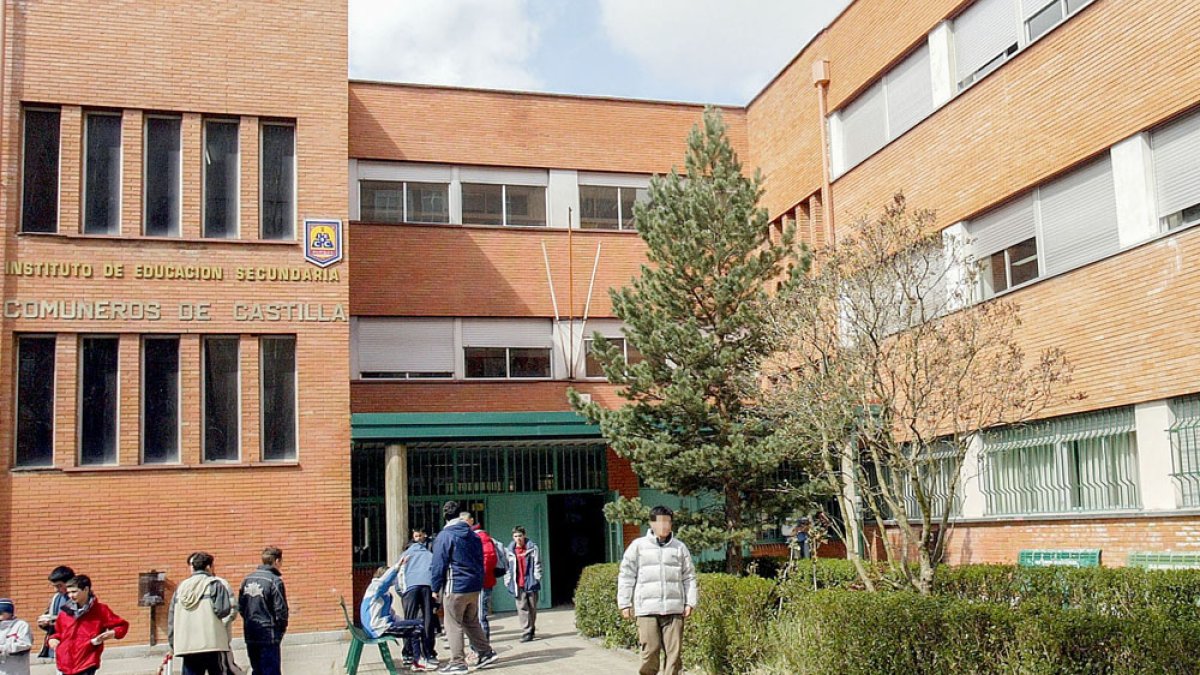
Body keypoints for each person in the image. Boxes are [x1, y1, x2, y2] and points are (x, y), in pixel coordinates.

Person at [617, 506, 698, 675]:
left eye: (668, 522)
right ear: (651, 524)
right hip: (647, 609)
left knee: (674, 655)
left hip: (674, 609)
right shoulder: (638, 546)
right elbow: (626, 575)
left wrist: (690, 601)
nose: (664, 526)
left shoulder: (679, 548)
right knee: (650, 651)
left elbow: (689, 576)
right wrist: (624, 603)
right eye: (660, 522)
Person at [430, 501, 497, 674]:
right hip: (474, 586)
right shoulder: (473, 535)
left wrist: (435, 587)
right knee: (471, 620)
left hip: (456, 585)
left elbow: (439, 564)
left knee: (453, 624)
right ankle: (485, 652)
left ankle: (458, 662)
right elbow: (480, 559)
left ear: (444, 516)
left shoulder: (445, 536)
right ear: (460, 515)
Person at [168, 552, 236, 675]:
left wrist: (173, 644)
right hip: (212, 643)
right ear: (209, 567)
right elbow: (223, 610)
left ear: (192, 567)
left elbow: (172, 619)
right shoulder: (214, 584)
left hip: (187, 645)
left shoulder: (180, 588)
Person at [47, 575, 129, 675]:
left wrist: (112, 633)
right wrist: (52, 639)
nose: (71, 596)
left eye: (74, 592)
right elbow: (57, 633)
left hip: (87, 661)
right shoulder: (64, 612)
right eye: (69, 592)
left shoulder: (100, 610)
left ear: (86, 589)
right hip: (65, 662)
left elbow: (122, 626)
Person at [239, 547, 288, 675]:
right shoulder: (275, 581)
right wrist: (280, 630)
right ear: (277, 561)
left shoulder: (247, 580)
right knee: (271, 670)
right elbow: (280, 610)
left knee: (257, 668)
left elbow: (241, 606)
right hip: (268, 632)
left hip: (250, 631)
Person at [399, 529, 438, 669]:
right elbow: (435, 572)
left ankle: (408, 653)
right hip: (427, 587)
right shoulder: (429, 554)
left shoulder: (406, 554)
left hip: (410, 588)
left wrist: (401, 592)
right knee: (428, 620)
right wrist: (435, 590)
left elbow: (399, 573)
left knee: (409, 620)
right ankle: (428, 653)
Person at [463, 514, 505, 640]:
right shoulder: (467, 536)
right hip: (472, 583)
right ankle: (477, 647)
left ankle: (483, 648)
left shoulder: (480, 536)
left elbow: (489, 557)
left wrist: (478, 576)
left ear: (471, 521)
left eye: (464, 521)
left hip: (481, 583)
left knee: (480, 616)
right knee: (471, 617)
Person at [503, 525, 542, 643]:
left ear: (524, 535)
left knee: (532, 607)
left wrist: (537, 577)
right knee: (522, 607)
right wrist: (508, 580)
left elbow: (538, 563)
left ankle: (531, 627)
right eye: (515, 536)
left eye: (520, 536)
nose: (518, 538)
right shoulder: (510, 551)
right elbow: (507, 567)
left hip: (530, 581)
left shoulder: (532, 548)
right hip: (517, 583)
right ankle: (526, 631)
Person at [37, 566, 74, 660]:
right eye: (54, 586)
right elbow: (49, 616)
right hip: (57, 645)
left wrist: (57, 621)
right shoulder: (56, 598)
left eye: (59, 586)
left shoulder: (79, 598)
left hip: (73, 646)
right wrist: (44, 624)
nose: (56, 589)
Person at [0, 598, 33, 675]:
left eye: (1, 612)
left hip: (17, 670)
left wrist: (3, 649)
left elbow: (25, 645)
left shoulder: (21, 625)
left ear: (10, 612)